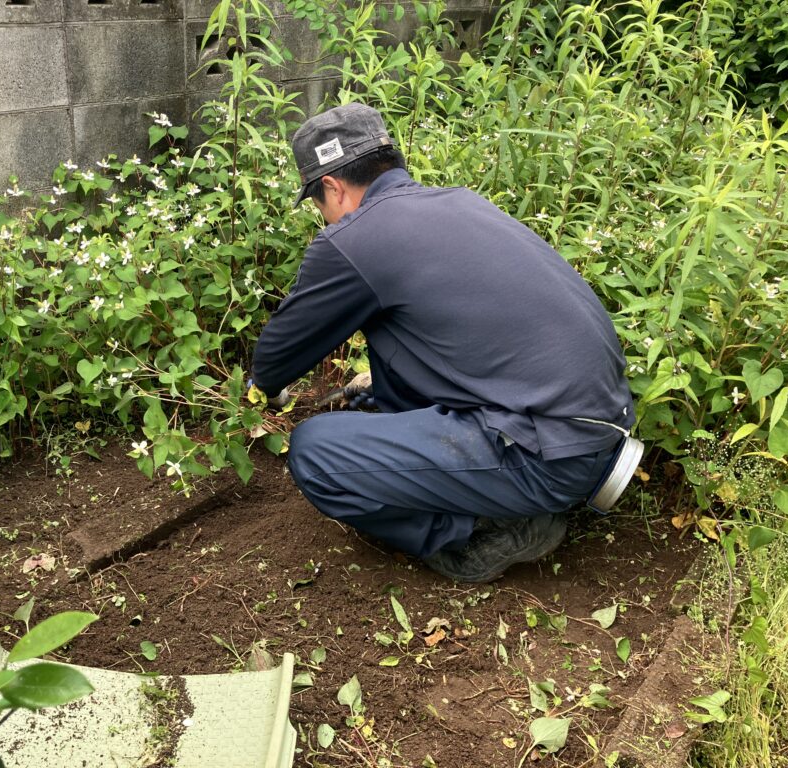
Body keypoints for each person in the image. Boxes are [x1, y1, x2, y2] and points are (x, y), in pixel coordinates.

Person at [249, 102, 635, 582]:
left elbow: (274, 361)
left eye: (318, 204)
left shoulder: (353, 240)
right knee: (387, 339)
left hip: (547, 458)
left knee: (315, 452)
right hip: (599, 428)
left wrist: (263, 391)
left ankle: (481, 532)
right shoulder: (460, 203)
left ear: (332, 187)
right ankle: (501, 492)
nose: (324, 217)